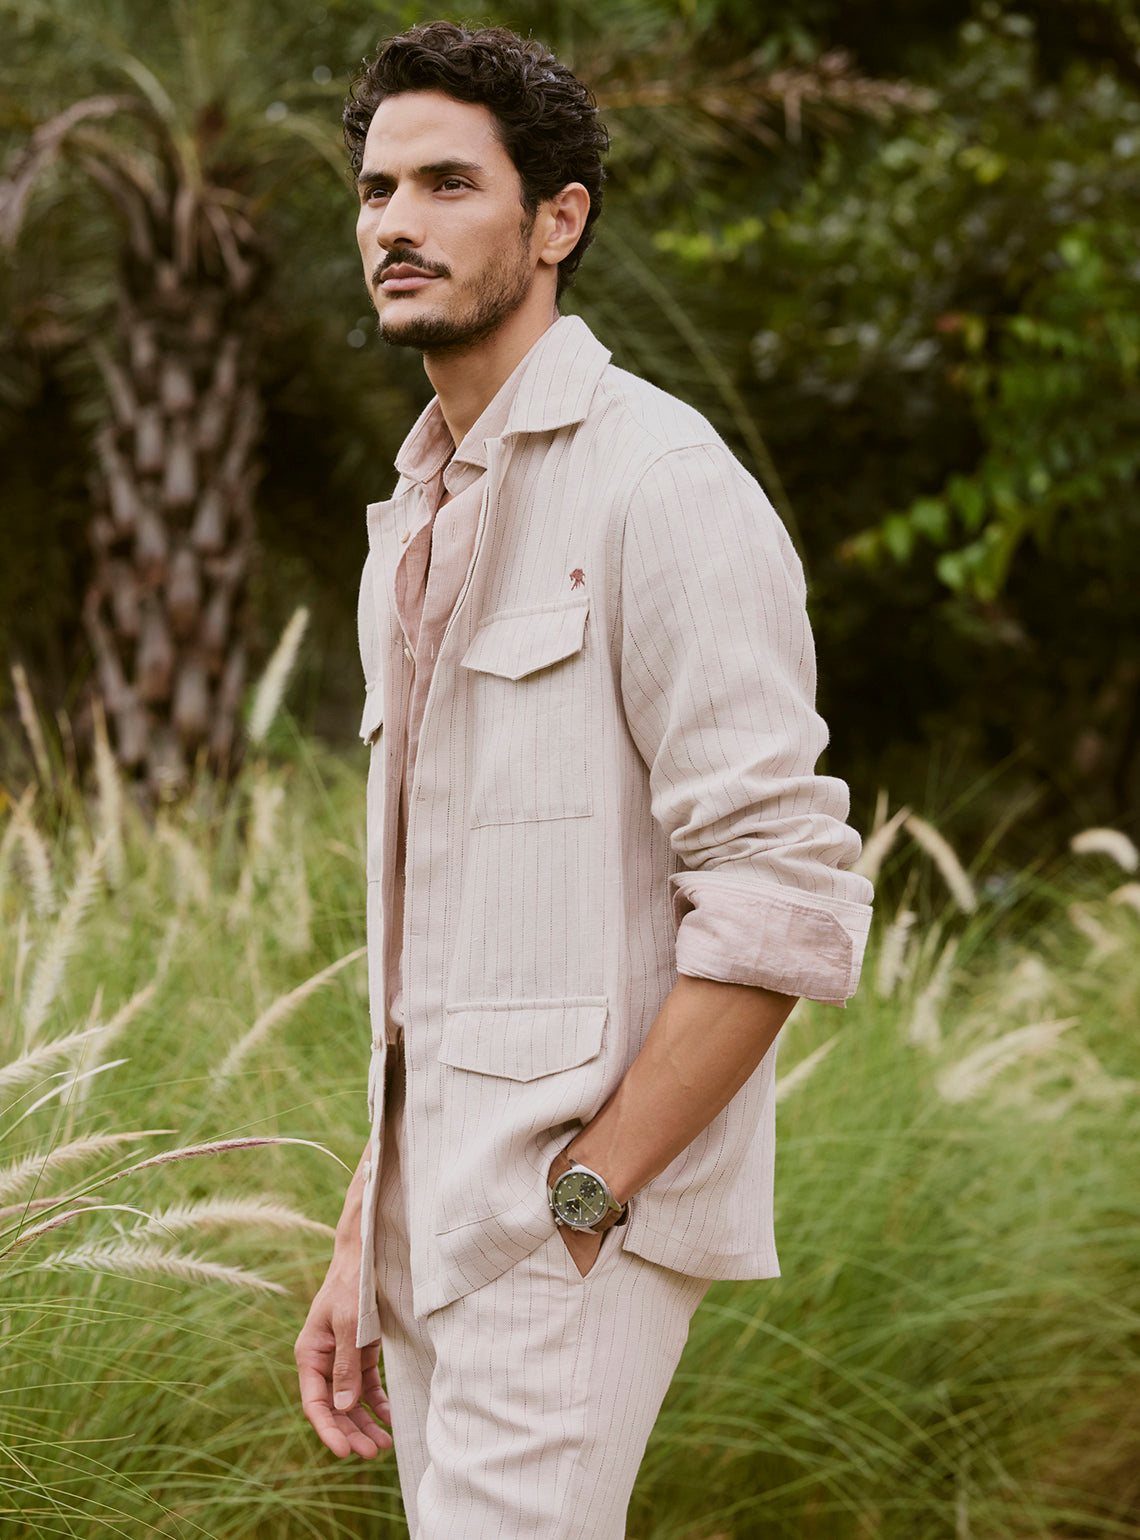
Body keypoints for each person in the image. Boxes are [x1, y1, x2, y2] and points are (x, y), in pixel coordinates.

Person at [294, 21, 874, 1539]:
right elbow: (444, 951)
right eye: (375, 191)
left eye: (447, 184)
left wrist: (584, 1201)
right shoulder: (413, 514)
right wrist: (369, 1232)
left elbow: (783, 894)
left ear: (558, 220)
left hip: (562, 1234)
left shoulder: (660, 486)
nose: (397, 223)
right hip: (434, 1228)